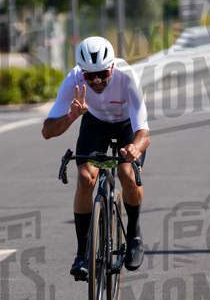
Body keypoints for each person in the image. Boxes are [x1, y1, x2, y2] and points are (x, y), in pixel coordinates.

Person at [42, 36, 150, 280]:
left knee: (126, 173)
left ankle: (133, 233)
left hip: (126, 125)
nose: (96, 80)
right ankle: (82, 253)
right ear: (82, 72)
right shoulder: (74, 78)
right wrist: (71, 116)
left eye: (101, 73)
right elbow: (47, 131)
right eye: (89, 75)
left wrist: (135, 148)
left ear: (111, 66)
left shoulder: (127, 76)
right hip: (96, 123)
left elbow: (144, 132)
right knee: (84, 179)